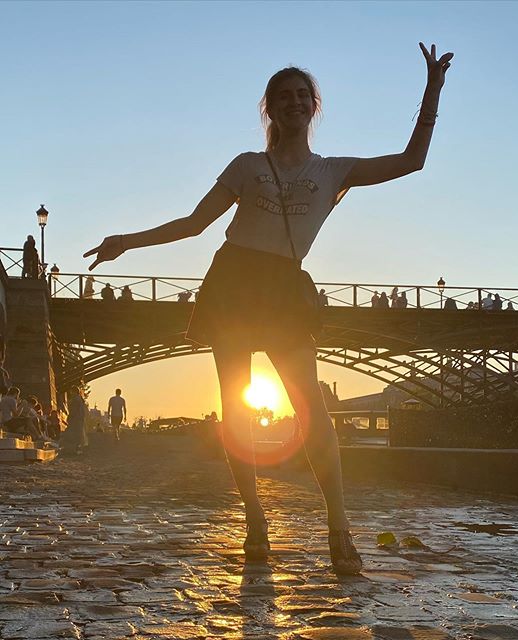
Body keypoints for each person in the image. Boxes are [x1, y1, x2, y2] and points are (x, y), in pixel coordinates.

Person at [83, 43, 453, 576]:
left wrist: (432, 90)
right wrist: (127, 241)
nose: (295, 103)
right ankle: (255, 518)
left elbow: (411, 161)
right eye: (284, 97)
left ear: (314, 106)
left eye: (304, 95)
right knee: (235, 409)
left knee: (312, 411)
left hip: (283, 288)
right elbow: (193, 224)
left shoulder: (335, 171)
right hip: (234, 282)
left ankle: (338, 523)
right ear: (270, 109)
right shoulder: (247, 166)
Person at [61, 386, 88, 454]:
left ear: (74, 392)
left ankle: (76, 448)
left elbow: (74, 410)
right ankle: (78, 448)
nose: (71, 393)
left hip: (75, 418)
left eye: (71, 391)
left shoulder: (75, 399)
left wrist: (70, 417)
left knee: (75, 433)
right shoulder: (80, 399)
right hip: (80, 418)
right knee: (79, 433)